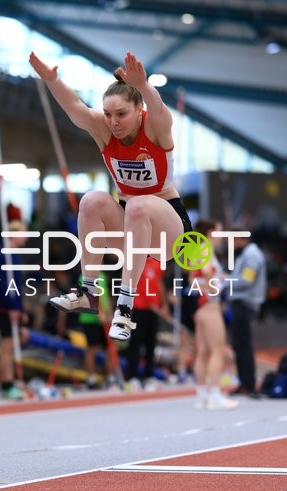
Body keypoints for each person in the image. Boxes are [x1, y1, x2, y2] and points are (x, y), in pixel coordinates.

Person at [30, 50, 192, 343]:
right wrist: (52, 80)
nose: (113, 122)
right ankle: (89, 292)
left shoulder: (154, 126)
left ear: (138, 109)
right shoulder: (104, 130)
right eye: (107, 114)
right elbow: (76, 108)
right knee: (92, 199)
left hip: (168, 229)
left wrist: (144, 86)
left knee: (139, 204)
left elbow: (159, 110)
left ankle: (125, 306)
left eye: (121, 114)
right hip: (132, 227)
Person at [192, 219, 238, 410]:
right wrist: (215, 286)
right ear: (211, 233)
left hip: (200, 307)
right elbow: (205, 271)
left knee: (203, 352)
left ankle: (202, 396)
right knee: (217, 350)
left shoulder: (196, 249)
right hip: (210, 306)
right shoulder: (205, 248)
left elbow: (192, 277)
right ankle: (214, 395)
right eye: (219, 232)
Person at [0, 220, 30, 400]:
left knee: (11, 344)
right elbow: (3, 284)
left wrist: (20, 308)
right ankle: (6, 383)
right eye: (23, 232)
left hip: (11, 306)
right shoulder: (3, 255)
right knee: (6, 346)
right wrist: (11, 307)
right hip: (3, 307)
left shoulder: (13, 255)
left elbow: (16, 284)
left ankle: (10, 381)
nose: (26, 236)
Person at [226, 229, 267, 399]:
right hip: (240, 302)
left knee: (243, 345)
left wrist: (223, 283)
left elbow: (246, 280)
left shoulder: (251, 256)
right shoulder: (245, 255)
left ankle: (248, 384)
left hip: (245, 302)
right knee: (238, 344)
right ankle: (244, 383)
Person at [120, 256, 168, 385]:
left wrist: (164, 305)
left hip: (153, 310)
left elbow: (158, 282)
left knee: (151, 343)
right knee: (136, 342)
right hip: (138, 307)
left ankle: (149, 375)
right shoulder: (134, 261)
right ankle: (132, 376)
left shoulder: (157, 263)